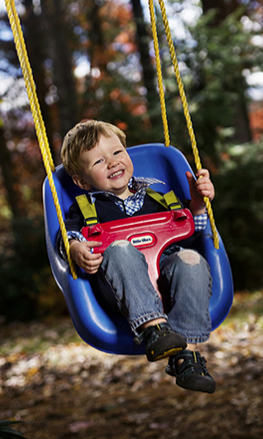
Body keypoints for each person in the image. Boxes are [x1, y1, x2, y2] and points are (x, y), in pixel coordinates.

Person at [60, 120, 216, 393]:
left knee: (191, 260)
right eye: (98, 161)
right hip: (122, 293)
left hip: (169, 283)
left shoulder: (159, 198)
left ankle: (186, 355)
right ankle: (154, 329)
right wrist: (76, 249)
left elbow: (191, 235)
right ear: (81, 181)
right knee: (119, 249)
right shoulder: (84, 208)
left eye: (117, 152)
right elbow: (68, 238)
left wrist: (198, 205)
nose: (112, 163)